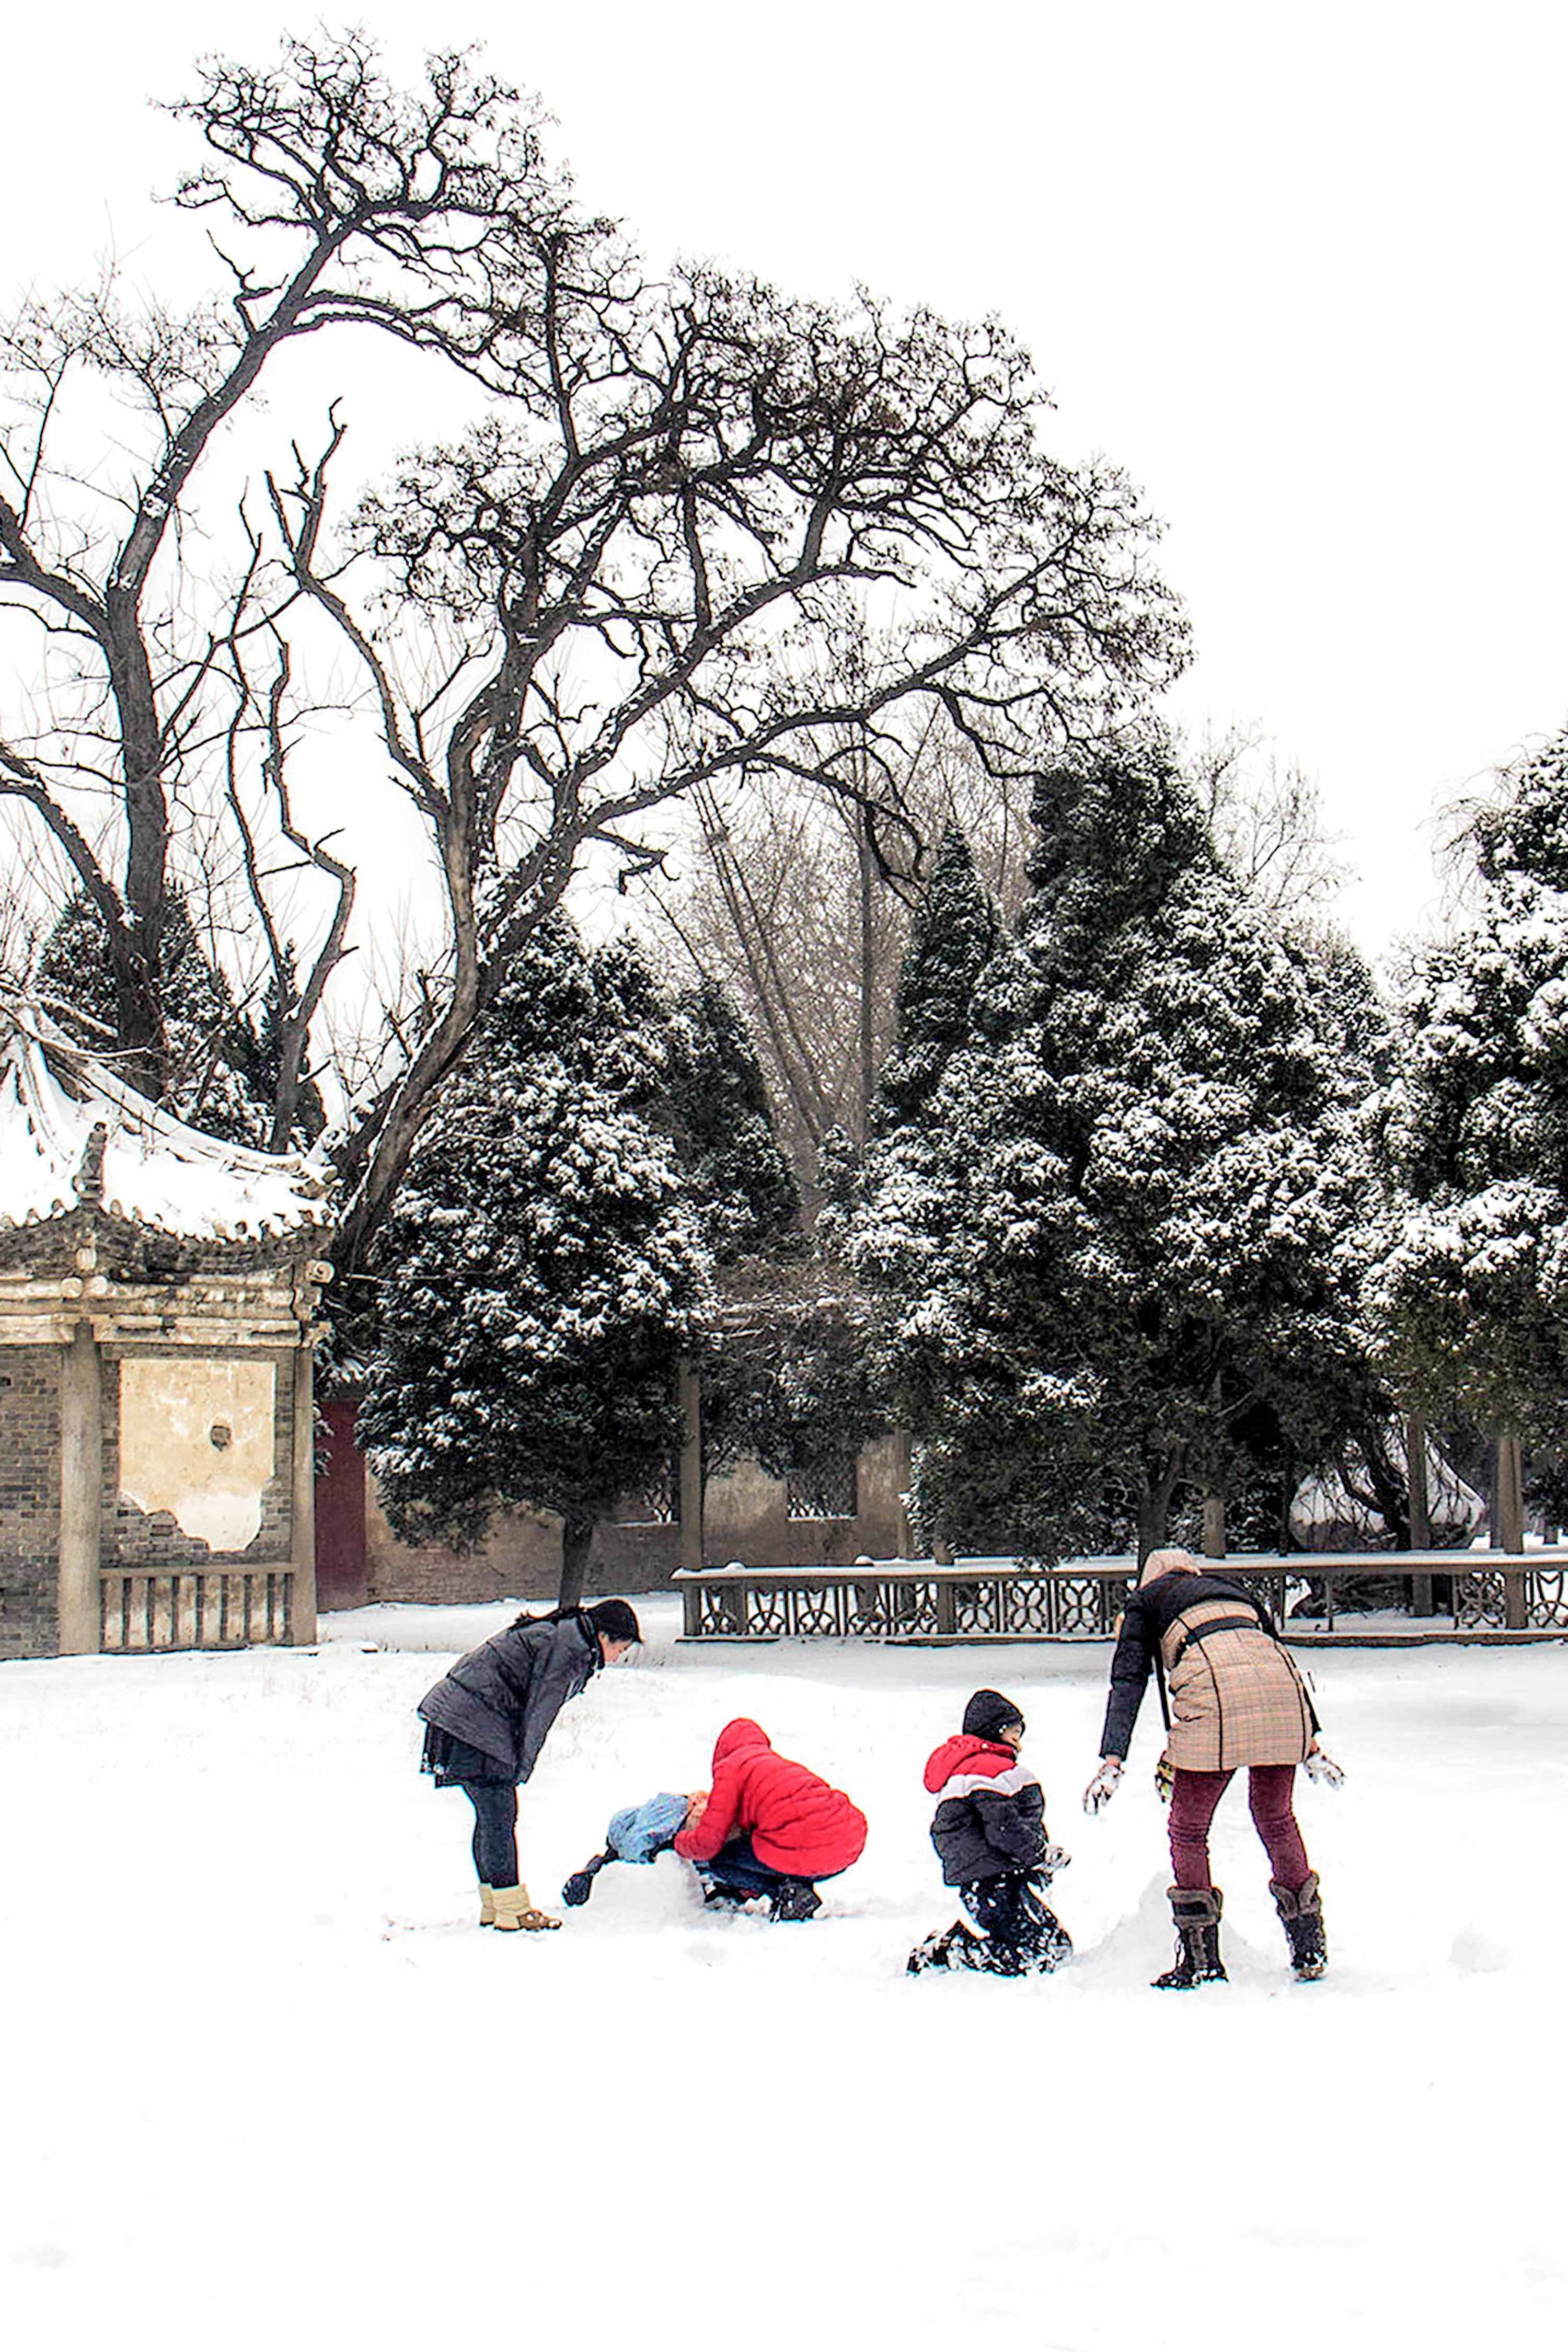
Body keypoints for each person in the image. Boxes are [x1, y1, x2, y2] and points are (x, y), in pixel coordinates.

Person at [1082, 1548, 1341, 1989]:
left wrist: (1113, 1758)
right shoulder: (1233, 1589)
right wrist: (1310, 1740)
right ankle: (1309, 1945)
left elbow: (1128, 1679)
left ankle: (1200, 1956)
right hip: (1283, 1697)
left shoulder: (1146, 1601)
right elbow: (1275, 1657)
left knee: (1189, 1828)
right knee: (1277, 1818)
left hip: (1214, 1693)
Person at [418, 1597, 642, 1931]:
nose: (617, 1657)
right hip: (472, 1723)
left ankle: (496, 1904)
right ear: (604, 1637)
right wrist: (522, 1766)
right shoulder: (569, 1649)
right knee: (499, 1812)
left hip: (461, 1718)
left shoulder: (566, 1635)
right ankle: (512, 1909)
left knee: (493, 1813)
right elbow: (540, 1712)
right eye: (620, 1649)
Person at [907, 1688, 1072, 1977]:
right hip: (991, 1881)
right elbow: (1004, 1828)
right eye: (1014, 1734)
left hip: (993, 1878)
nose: (1019, 1744)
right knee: (1038, 1953)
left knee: (1054, 1945)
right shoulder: (987, 1770)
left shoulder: (978, 1770)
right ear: (995, 1731)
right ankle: (951, 1951)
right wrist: (1039, 1854)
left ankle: (957, 1949)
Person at [672, 1717, 867, 1921]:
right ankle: (794, 1887)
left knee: (721, 1861)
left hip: (805, 1846)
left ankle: (787, 1893)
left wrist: (679, 1841)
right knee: (773, 1846)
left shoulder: (731, 1767)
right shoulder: (779, 1766)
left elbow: (707, 1845)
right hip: (846, 1846)